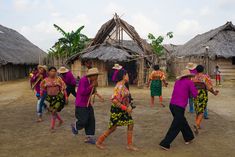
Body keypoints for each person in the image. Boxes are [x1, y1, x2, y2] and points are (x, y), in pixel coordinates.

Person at [96, 69, 138, 151]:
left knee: (130, 124)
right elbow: (114, 100)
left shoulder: (123, 85)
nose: (128, 76)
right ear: (123, 76)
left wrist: (129, 106)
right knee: (112, 128)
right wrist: (126, 108)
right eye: (127, 75)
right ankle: (99, 142)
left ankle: (129, 145)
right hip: (117, 110)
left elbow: (125, 98)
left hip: (123, 109)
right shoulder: (119, 87)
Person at [159, 69, 198, 150]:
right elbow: (195, 94)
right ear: (189, 76)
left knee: (182, 122)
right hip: (179, 106)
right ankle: (165, 143)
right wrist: (196, 87)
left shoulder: (177, 82)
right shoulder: (189, 82)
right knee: (176, 125)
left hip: (172, 105)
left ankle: (189, 137)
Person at [71, 68, 101, 144]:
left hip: (88, 103)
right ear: (91, 76)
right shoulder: (83, 80)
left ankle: (89, 137)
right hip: (81, 103)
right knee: (83, 120)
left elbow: (92, 92)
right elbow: (82, 92)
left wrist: (94, 87)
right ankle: (75, 125)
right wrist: (91, 86)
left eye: (97, 75)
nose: (97, 77)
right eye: (96, 75)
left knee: (91, 119)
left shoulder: (91, 81)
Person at [192, 65, 219, 134]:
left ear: (196, 70)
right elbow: (209, 87)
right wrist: (214, 93)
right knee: (201, 110)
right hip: (202, 94)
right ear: (203, 70)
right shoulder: (205, 77)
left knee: (197, 109)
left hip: (195, 94)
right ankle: (197, 124)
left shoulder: (193, 77)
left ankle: (198, 125)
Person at [40, 67, 68, 132]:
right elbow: (41, 88)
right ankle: (60, 120)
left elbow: (64, 88)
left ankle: (52, 127)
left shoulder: (59, 79)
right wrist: (41, 96)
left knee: (54, 111)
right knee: (52, 111)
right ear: (49, 72)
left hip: (58, 97)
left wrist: (66, 96)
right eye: (52, 71)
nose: (53, 72)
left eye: (54, 71)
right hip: (49, 98)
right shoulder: (45, 80)